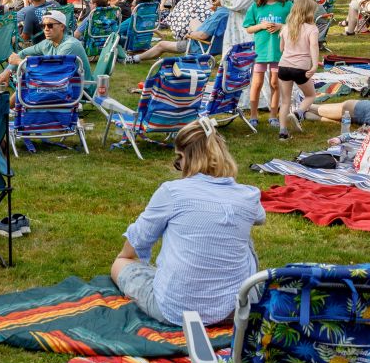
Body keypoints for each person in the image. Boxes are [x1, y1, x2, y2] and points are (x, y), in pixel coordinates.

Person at [110, 119, 263, 326]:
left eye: (178, 158)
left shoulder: (172, 192)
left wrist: (124, 258)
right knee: (241, 234)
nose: (178, 165)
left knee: (121, 265)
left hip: (176, 309)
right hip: (235, 309)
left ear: (187, 158)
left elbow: (140, 236)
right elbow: (259, 217)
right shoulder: (248, 195)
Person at [0, 9, 92, 88]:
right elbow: (23, 53)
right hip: (63, 84)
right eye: (43, 25)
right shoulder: (48, 43)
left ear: (62, 26)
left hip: (79, 88)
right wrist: (7, 72)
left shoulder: (70, 46)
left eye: (50, 25)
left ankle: (8, 110)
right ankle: (8, 110)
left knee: (29, 80)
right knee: (26, 79)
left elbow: (50, 74)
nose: (46, 29)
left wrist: (19, 62)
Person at [243, 0, 290, 129]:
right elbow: (248, 28)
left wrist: (281, 26)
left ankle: (273, 115)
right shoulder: (256, 7)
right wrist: (262, 26)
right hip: (260, 53)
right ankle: (253, 114)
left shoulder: (287, 6)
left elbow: (294, 26)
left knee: (275, 83)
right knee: (256, 84)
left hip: (279, 52)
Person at [275, 0, 319, 141]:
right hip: (301, 68)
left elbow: (281, 48)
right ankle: (299, 113)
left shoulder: (285, 28)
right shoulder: (312, 29)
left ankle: (282, 132)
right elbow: (313, 46)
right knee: (310, 95)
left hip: (284, 67)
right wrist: (314, 64)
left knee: (285, 101)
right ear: (309, 12)